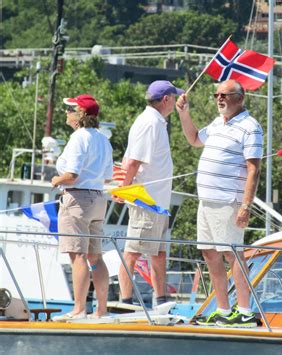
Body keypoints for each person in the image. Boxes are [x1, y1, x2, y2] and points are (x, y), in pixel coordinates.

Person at [176, 79, 263, 327]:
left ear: (240, 98)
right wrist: (184, 113)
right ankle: (224, 310)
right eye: (216, 95)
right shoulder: (217, 123)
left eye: (224, 94)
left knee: (232, 253)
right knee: (210, 253)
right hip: (207, 201)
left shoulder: (250, 126)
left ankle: (245, 311)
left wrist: (246, 206)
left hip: (228, 201)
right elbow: (194, 139)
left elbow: (253, 169)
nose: (219, 99)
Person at [117, 80, 184, 307]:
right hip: (146, 200)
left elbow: (129, 158)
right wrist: (124, 190)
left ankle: (161, 301)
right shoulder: (150, 123)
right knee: (133, 252)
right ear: (166, 100)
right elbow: (133, 161)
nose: (175, 102)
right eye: (174, 98)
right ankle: (125, 302)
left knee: (158, 253)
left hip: (157, 202)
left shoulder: (155, 122)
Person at [52, 94, 113, 321]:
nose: (66, 112)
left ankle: (79, 309)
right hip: (97, 200)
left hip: (77, 201)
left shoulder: (78, 138)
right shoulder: (103, 139)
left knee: (77, 256)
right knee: (95, 257)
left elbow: (72, 175)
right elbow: (107, 177)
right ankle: (102, 310)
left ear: (80, 115)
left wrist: (56, 181)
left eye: (70, 109)